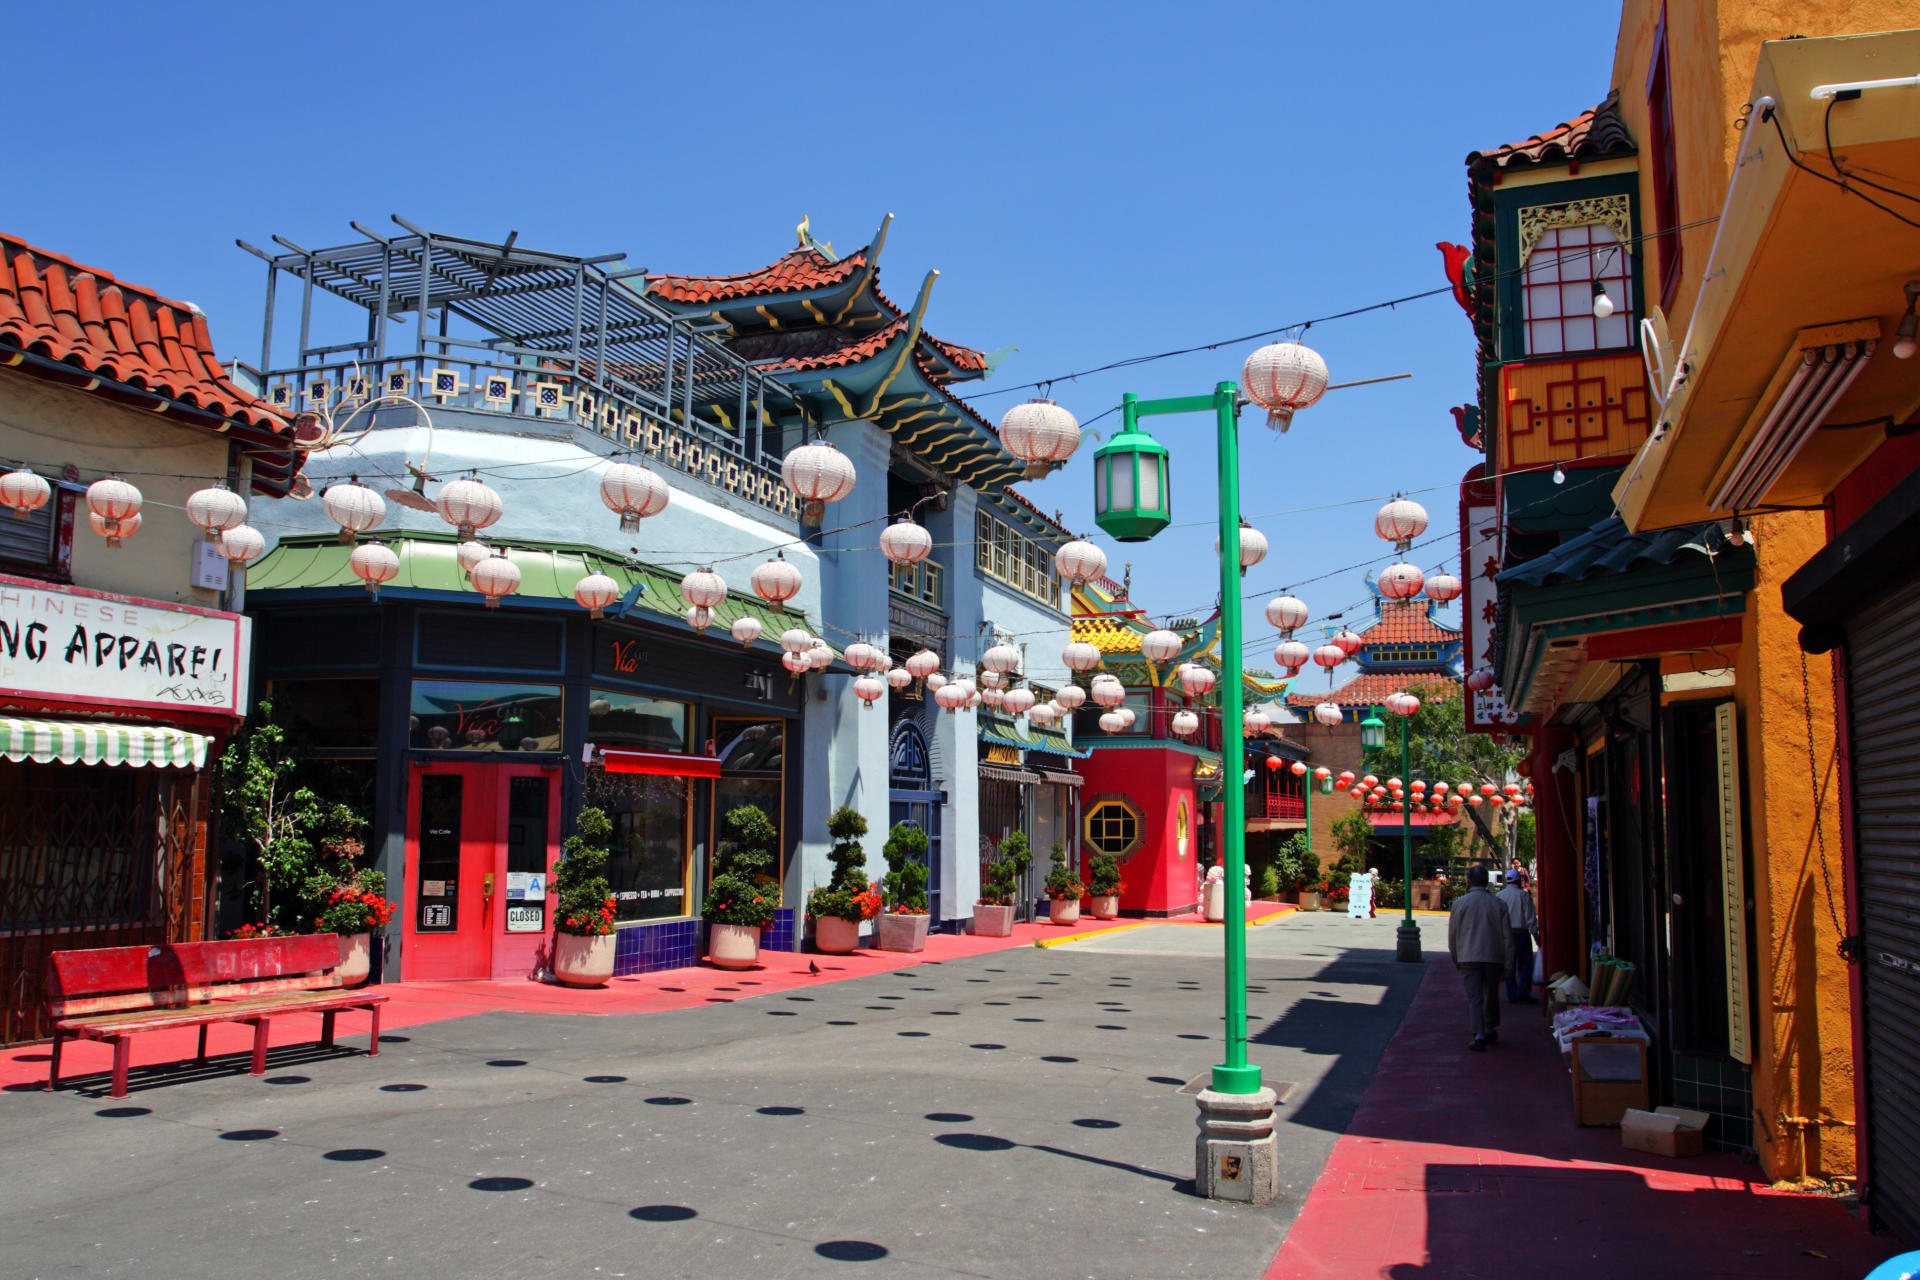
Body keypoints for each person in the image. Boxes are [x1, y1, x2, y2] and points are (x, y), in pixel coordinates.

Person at [1447, 864, 1512, 1051]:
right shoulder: (1499, 904)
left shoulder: (1460, 904)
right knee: (1490, 994)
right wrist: (1509, 961)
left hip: (1468, 956)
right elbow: (1507, 936)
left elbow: (1453, 935)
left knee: (1474, 997)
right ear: (1487, 882)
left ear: (1468, 881)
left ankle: (1479, 1033)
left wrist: (1455, 957)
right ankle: (1490, 1027)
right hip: (1493, 956)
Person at [1496, 868, 1539, 1003]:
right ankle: (1523, 993)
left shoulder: (1499, 896)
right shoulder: (1523, 895)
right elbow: (1530, 918)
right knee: (1525, 965)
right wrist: (1536, 937)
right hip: (1521, 934)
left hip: (1505, 934)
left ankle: (1512, 994)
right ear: (1518, 880)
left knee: (1509, 965)